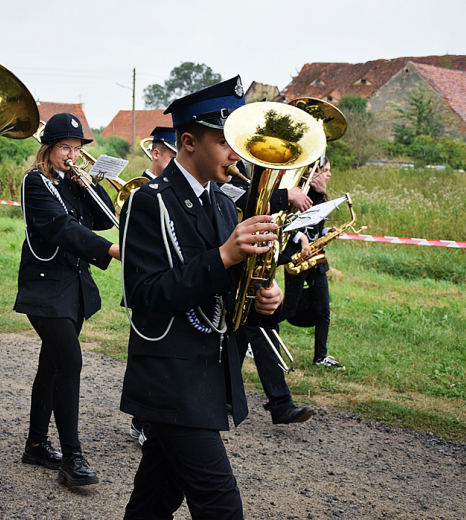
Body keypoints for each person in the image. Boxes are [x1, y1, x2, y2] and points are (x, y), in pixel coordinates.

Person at [119, 77, 283, 519]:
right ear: (187, 142)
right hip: (169, 380)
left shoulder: (226, 205)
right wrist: (224, 256)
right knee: (222, 507)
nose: (238, 154)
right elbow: (144, 295)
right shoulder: (148, 201)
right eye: (226, 142)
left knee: (154, 499)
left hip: (207, 379)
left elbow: (226, 303)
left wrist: (263, 300)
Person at [14, 113, 120, 487]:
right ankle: (72, 458)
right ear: (49, 148)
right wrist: (111, 251)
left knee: (52, 365)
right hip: (44, 288)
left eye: (76, 149)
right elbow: (63, 228)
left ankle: (36, 445)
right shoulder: (35, 182)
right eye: (65, 148)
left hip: (72, 288)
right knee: (70, 362)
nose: (72, 155)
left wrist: (91, 185)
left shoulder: (71, 182)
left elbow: (104, 218)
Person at [229, 163, 315, 425]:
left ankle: (275, 404)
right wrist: (286, 195)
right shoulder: (229, 165)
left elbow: (272, 215)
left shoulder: (253, 165)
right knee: (248, 332)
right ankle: (276, 403)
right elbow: (235, 197)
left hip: (254, 261)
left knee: (251, 331)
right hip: (230, 263)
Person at [128, 126, 178, 447]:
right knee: (147, 356)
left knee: (159, 357)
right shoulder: (141, 189)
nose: (176, 163)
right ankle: (144, 422)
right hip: (147, 280)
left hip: (169, 281)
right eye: (172, 156)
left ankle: (141, 420)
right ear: (156, 153)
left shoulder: (172, 188)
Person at [279, 160, 344, 369]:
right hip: (297, 259)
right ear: (311, 174)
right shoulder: (298, 194)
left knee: (323, 310)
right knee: (288, 310)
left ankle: (320, 357)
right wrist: (300, 237)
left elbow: (314, 229)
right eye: (325, 171)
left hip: (316, 261)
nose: (329, 175)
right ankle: (258, 334)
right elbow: (284, 224)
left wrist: (327, 232)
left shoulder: (320, 198)